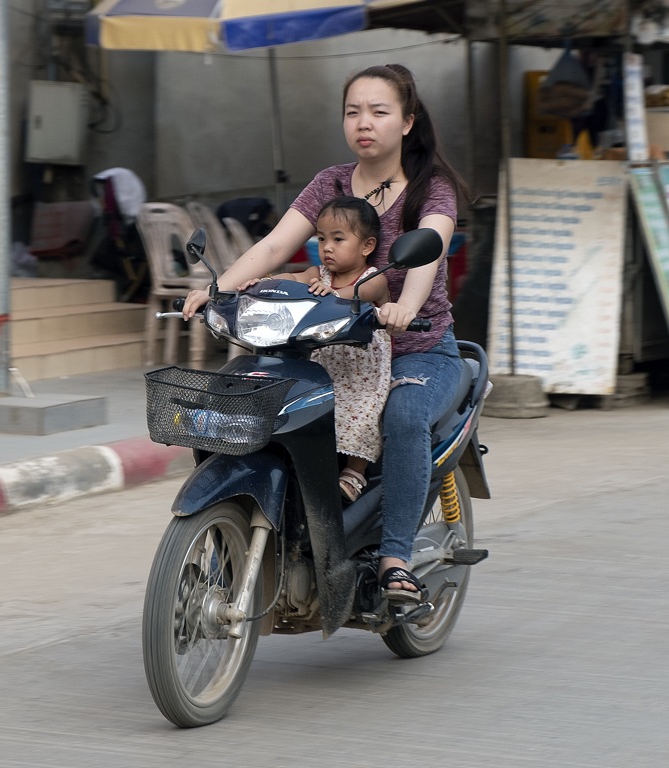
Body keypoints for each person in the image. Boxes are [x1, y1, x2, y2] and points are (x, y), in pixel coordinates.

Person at [184, 63, 469, 604]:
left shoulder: (431, 189)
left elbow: (429, 249)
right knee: (244, 400)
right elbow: (273, 247)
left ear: (407, 122)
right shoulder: (331, 184)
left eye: (379, 111)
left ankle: (394, 559)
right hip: (327, 346)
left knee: (404, 418)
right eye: (353, 111)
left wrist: (403, 307)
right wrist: (219, 288)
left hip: (417, 348)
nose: (364, 122)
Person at [237, 196, 390, 504]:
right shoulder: (317, 274)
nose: (327, 247)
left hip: (364, 372)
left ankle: (354, 472)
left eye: (338, 239)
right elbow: (292, 279)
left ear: (367, 246)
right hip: (325, 364)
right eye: (321, 239)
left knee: (362, 414)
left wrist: (334, 294)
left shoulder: (373, 278)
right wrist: (262, 283)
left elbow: (356, 295)